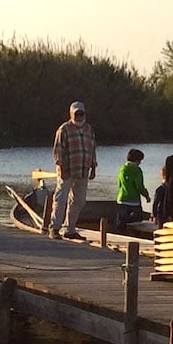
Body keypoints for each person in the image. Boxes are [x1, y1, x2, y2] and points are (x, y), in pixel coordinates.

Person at [48, 101, 97, 240]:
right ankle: (54, 228)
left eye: (81, 113)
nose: (79, 116)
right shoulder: (64, 129)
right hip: (67, 170)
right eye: (77, 113)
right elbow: (58, 150)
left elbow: (92, 149)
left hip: (83, 171)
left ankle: (70, 229)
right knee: (61, 199)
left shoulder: (89, 129)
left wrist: (93, 166)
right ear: (71, 114)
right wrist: (61, 167)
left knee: (79, 201)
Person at [115, 148, 150, 231]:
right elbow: (139, 186)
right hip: (134, 200)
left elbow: (119, 183)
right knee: (138, 219)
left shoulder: (122, 168)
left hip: (122, 199)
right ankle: (133, 232)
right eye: (140, 161)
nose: (140, 163)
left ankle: (120, 232)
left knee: (121, 220)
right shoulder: (137, 170)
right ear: (137, 160)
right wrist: (146, 195)